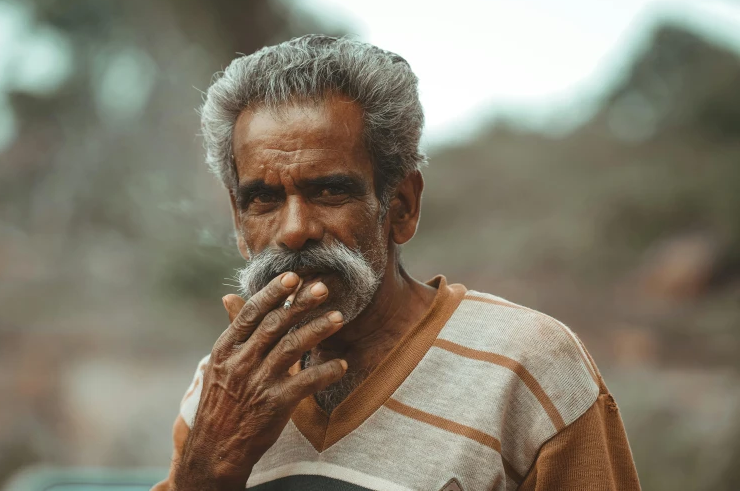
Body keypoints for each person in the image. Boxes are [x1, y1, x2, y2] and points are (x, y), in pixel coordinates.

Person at [152, 35, 640, 491]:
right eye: (263, 199)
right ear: (239, 222)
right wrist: (207, 466)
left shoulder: (530, 368)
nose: (295, 229)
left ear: (401, 206)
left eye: (329, 190)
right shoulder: (222, 388)